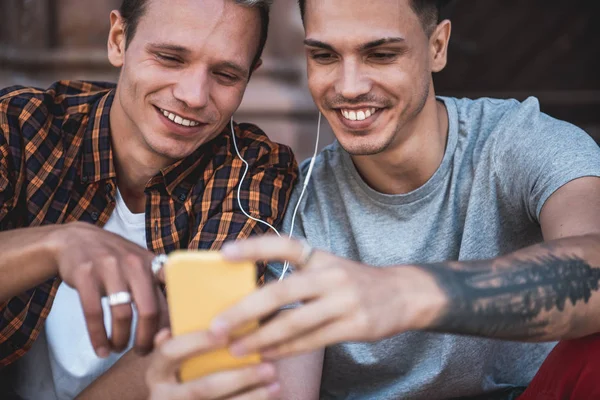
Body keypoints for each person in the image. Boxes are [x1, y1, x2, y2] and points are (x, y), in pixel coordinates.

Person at [145, 0, 600, 399]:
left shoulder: (520, 141)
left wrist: (400, 295)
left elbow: (595, 269)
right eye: (324, 56)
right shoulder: (297, 203)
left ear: (437, 47)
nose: (348, 87)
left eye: (380, 54)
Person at [0, 0, 297, 399]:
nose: (193, 96)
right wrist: (57, 244)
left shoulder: (253, 168)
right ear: (118, 40)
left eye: (225, 74)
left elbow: (200, 341)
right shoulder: (20, 125)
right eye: (171, 58)